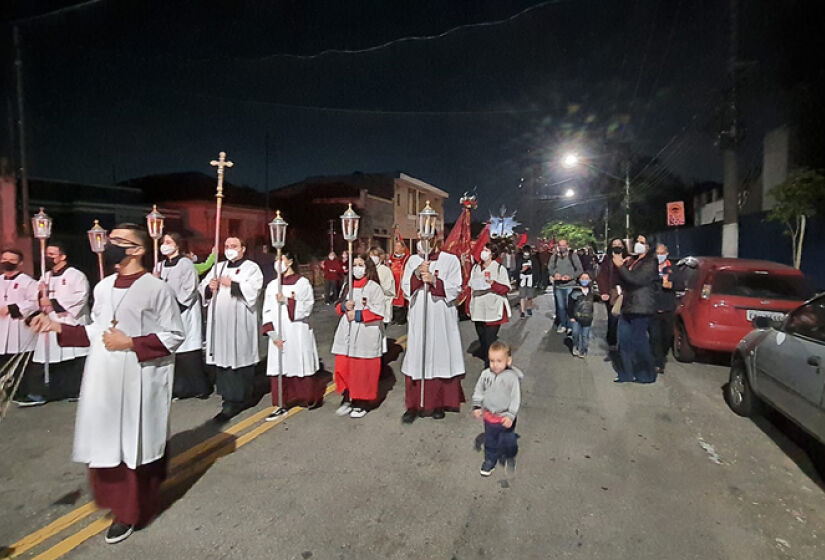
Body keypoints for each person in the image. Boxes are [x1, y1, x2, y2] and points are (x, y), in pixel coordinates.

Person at [30, 224, 184, 544]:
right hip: (103, 376)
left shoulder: (156, 288)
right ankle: (113, 501)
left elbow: (174, 334)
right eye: (109, 240)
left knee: (132, 445)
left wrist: (131, 342)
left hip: (138, 377)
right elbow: (94, 330)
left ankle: (129, 512)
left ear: (138, 249)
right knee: (106, 442)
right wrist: (57, 327)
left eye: (117, 242)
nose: (109, 245)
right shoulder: (103, 286)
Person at [400, 236, 465, 423]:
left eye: (428, 237)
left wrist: (435, 281)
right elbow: (405, 289)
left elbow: (456, 289)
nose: (423, 241)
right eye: (421, 237)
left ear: (436, 239)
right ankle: (413, 405)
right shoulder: (412, 260)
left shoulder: (450, 260)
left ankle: (438, 403)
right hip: (420, 315)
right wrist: (417, 276)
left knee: (439, 355)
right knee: (417, 356)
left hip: (440, 316)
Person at [199, 237, 263, 423]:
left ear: (243, 248)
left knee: (239, 358)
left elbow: (254, 290)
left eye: (234, 246)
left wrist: (232, 285)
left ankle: (241, 398)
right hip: (221, 322)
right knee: (223, 360)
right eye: (227, 246)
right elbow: (203, 287)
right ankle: (228, 397)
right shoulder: (218, 267)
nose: (229, 249)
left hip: (240, 323)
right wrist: (210, 288)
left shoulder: (251, 267)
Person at [25, 243, 91, 404]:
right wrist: (40, 293)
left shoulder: (75, 275)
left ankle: (74, 391)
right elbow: (34, 299)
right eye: (47, 254)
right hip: (50, 321)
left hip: (69, 320)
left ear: (63, 256)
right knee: (45, 358)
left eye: (52, 254)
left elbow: (81, 297)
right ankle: (41, 392)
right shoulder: (45, 276)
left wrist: (53, 301)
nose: (49, 257)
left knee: (72, 358)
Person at [261, 250, 323, 419]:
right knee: (280, 366)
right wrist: (272, 334)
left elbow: (307, 307)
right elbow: (266, 309)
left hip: (297, 331)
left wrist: (288, 301)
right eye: (276, 259)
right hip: (279, 333)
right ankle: (282, 402)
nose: (277, 262)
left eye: (280, 259)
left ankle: (307, 397)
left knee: (298, 361)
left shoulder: (302, 283)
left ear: (289, 262)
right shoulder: (273, 285)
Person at [331, 254, 385, 418]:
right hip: (347, 331)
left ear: (367, 268)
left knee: (362, 369)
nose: (357, 268)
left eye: (360, 264)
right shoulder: (349, 286)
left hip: (365, 332)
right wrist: (344, 305)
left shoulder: (374, 287)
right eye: (354, 264)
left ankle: (362, 401)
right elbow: (337, 307)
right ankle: (347, 397)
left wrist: (359, 315)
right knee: (344, 366)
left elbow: (379, 311)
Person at [159, 233, 210, 399]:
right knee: (174, 353)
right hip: (166, 313)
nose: (164, 245)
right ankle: (181, 388)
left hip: (184, 311)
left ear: (177, 245)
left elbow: (190, 287)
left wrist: (177, 306)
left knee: (188, 351)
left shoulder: (185, 263)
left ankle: (200, 387)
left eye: (168, 242)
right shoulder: (159, 266)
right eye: (163, 242)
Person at [613, 235, 659, 384]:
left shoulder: (651, 262)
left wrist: (621, 267)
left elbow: (637, 280)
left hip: (641, 306)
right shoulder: (633, 260)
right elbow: (624, 279)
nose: (638, 245)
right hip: (628, 305)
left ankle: (646, 374)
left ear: (648, 246)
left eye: (642, 242)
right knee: (624, 340)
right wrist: (622, 266)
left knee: (639, 342)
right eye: (637, 242)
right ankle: (627, 373)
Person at [472, 340, 522, 477]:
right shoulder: (485, 375)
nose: (495, 364)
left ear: (508, 360)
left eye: (499, 361)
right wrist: (477, 405)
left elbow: (515, 398)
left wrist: (511, 415)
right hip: (490, 416)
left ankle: (509, 456)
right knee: (490, 440)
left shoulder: (512, 378)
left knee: (508, 441)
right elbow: (479, 390)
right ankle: (490, 460)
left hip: (505, 416)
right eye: (492, 361)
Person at [2, 249, 40, 405]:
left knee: (20, 363)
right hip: (1, 327)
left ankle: (22, 393)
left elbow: (35, 302)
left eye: (12, 259)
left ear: (19, 262)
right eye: (4, 258)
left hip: (18, 327)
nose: (7, 262)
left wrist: (12, 308)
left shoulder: (28, 282)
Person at [469, 243, 511, 368]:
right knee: (482, 339)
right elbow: (470, 286)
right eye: (482, 249)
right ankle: (489, 360)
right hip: (478, 309)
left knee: (489, 341)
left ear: (492, 253)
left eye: (486, 250)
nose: (483, 252)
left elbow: (505, 288)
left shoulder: (499, 269)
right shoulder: (476, 268)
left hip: (493, 310)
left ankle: (490, 367)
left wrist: (493, 283)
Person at [595, 238, 627, 353]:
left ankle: (624, 342)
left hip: (627, 293)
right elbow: (601, 276)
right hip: (612, 293)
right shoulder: (607, 259)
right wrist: (603, 292)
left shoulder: (629, 259)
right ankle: (612, 341)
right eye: (614, 244)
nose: (617, 246)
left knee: (626, 319)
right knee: (613, 318)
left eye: (619, 244)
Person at [650, 243, 676, 374]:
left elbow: (681, 283)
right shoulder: (650, 267)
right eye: (657, 253)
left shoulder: (673, 268)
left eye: (662, 253)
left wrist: (671, 284)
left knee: (666, 336)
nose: (660, 255)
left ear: (667, 253)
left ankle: (662, 355)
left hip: (668, 308)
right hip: (653, 307)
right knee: (655, 336)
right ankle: (657, 362)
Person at [548, 239, 583, 334]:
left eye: (564, 245)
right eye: (560, 245)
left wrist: (571, 277)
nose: (562, 247)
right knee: (561, 307)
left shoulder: (573, 256)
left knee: (569, 307)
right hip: (559, 286)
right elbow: (550, 268)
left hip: (570, 285)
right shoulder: (554, 257)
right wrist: (555, 274)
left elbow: (580, 270)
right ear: (558, 246)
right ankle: (563, 324)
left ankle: (570, 326)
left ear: (567, 245)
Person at [568, 272, 595, 358]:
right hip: (576, 317)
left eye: (586, 278)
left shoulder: (592, 292)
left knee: (585, 336)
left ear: (590, 280)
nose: (584, 280)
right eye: (582, 278)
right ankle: (575, 345)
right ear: (579, 280)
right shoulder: (575, 291)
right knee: (575, 333)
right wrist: (571, 316)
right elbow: (570, 305)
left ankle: (584, 350)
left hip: (587, 318)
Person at [370, 247, 396, 330]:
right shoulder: (368, 270)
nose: (372, 258)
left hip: (382, 304)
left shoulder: (385, 270)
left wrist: (377, 287)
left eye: (374, 255)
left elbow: (389, 289)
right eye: (370, 256)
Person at [387, 241, 409, 324]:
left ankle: (400, 319)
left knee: (401, 299)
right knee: (392, 299)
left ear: (403, 248)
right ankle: (393, 317)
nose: (396, 248)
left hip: (401, 280)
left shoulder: (406, 258)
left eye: (398, 246)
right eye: (395, 246)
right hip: (392, 280)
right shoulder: (391, 257)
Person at [515, 245, 539, 318]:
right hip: (522, 279)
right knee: (522, 296)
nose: (526, 254)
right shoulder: (520, 259)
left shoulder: (533, 259)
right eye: (525, 252)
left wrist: (536, 280)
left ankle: (529, 308)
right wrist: (522, 270)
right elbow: (517, 269)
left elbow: (536, 269)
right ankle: (522, 311)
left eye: (527, 252)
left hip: (530, 279)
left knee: (530, 296)